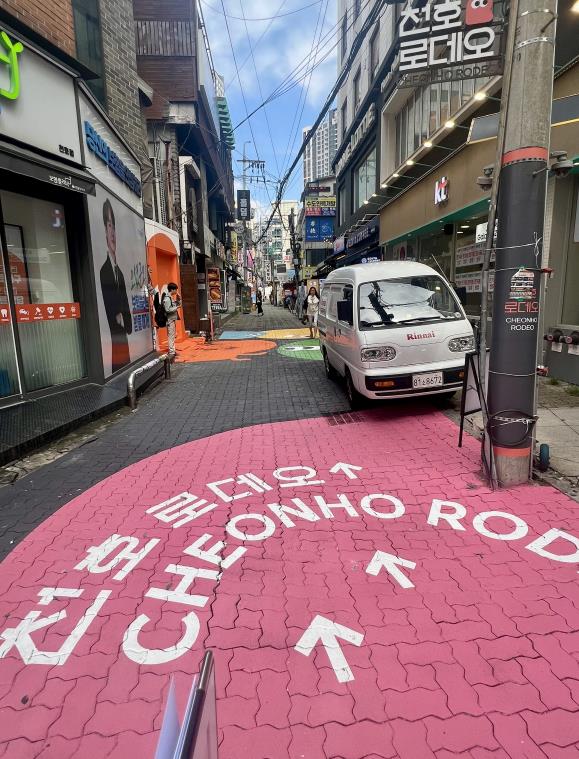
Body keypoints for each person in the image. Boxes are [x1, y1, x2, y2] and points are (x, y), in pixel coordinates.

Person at [99, 198, 132, 373]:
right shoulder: (104, 271)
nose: (113, 233)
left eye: (114, 227)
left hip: (124, 339)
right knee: (119, 369)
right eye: (109, 225)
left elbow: (125, 308)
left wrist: (124, 319)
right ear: (105, 230)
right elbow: (113, 313)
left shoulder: (120, 272)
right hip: (115, 342)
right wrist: (119, 316)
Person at [162, 282, 181, 359]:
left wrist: (179, 299)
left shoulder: (170, 297)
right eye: (175, 290)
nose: (176, 291)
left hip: (172, 319)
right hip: (169, 320)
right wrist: (177, 307)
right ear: (172, 290)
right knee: (171, 336)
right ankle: (171, 352)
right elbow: (168, 310)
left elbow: (175, 305)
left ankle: (173, 350)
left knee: (172, 335)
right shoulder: (167, 299)